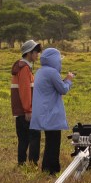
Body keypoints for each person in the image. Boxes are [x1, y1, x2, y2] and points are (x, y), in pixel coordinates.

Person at [30, 47, 75, 175]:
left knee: (50, 141)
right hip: (51, 113)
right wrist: (69, 80)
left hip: (41, 112)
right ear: (54, 60)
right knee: (53, 142)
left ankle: (47, 168)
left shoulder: (40, 71)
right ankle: (51, 169)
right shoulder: (52, 73)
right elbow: (63, 89)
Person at [10, 39, 42, 166]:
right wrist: (28, 110)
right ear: (29, 53)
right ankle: (32, 164)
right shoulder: (24, 69)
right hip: (26, 111)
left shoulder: (23, 67)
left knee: (23, 139)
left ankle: (21, 163)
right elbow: (25, 91)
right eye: (36, 52)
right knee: (34, 136)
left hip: (21, 111)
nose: (38, 55)